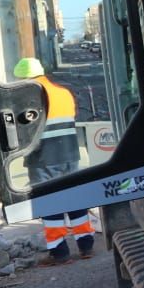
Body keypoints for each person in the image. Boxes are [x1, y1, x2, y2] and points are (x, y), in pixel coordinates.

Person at [13, 58, 96, 263]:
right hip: (69, 155)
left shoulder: (29, 97)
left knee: (49, 203)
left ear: (25, 79)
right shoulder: (63, 92)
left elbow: (22, 129)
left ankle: (59, 252)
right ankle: (86, 246)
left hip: (44, 158)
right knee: (75, 199)